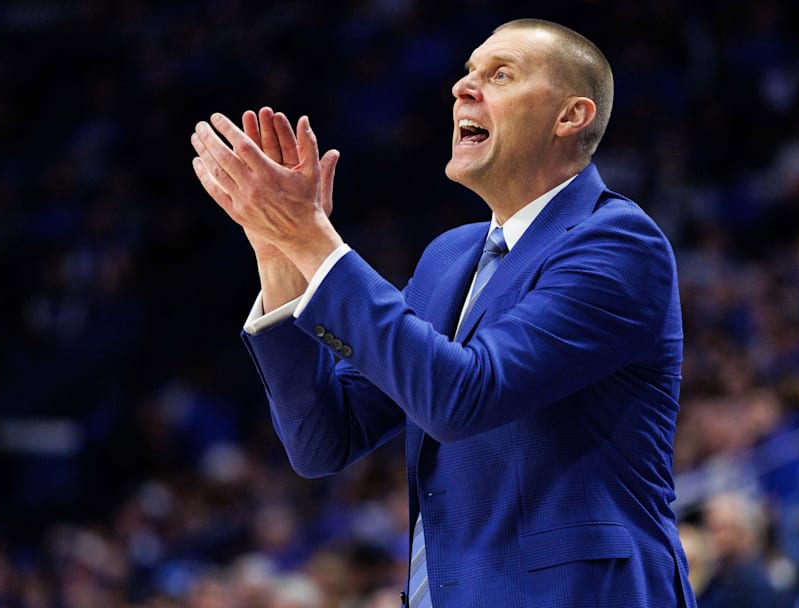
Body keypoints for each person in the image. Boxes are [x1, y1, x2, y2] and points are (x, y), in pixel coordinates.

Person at [191, 18, 694, 607]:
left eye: (500, 74)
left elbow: (462, 396)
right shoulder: (447, 257)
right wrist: (280, 258)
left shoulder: (618, 244)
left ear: (570, 116)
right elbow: (324, 440)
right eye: (467, 72)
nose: (463, 88)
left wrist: (313, 241)